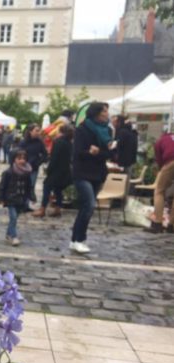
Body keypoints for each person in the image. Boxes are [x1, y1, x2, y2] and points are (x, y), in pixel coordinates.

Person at [70, 102, 114, 254]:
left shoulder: (107, 130)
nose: (107, 114)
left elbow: (110, 153)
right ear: (96, 113)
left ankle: (74, 239)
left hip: (98, 173)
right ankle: (80, 239)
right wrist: (90, 153)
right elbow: (78, 152)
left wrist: (97, 152)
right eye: (104, 112)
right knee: (89, 205)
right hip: (82, 173)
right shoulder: (82, 129)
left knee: (85, 207)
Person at [33, 124, 74, 218]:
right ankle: (58, 209)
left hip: (56, 170)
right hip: (65, 170)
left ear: (61, 132)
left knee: (46, 187)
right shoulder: (70, 142)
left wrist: (49, 169)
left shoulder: (58, 142)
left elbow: (54, 158)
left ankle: (42, 209)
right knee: (58, 189)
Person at [0, 150, 35, 246]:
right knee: (13, 218)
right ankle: (14, 237)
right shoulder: (8, 172)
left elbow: (29, 186)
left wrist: (32, 196)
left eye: (24, 158)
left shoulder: (27, 172)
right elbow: (2, 186)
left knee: (14, 219)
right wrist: (0, 198)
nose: (22, 161)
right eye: (19, 158)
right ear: (14, 159)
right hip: (10, 198)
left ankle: (8, 234)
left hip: (21, 199)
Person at [144, 130, 174, 233]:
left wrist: (163, 172)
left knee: (159, 191)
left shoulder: (160, 141)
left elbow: (159, 160)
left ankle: (157, 223)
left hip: (171, 161)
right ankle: (172, 225)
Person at [19, 124, 48, 210]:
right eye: (36, 130)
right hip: (23, 168)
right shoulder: (23, 142)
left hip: (34, 168)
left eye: (39, 130)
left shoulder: (40, 142)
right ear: (30, 131)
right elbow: (17, 153)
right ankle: (21, 204)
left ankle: (26, 205)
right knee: (22, 186)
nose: (38, 132)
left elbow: (45, 154)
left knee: (31, 186)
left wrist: (39, 162)